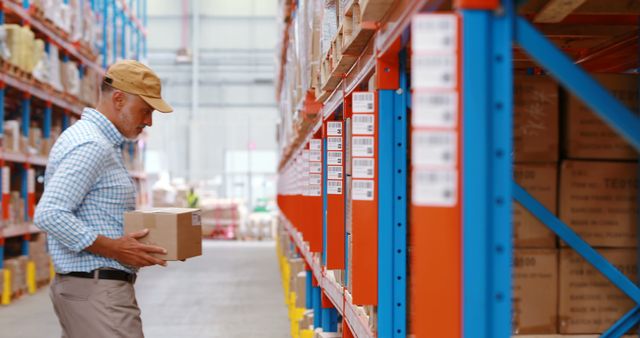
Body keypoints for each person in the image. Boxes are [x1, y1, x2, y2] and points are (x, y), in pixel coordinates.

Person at [34, 60, 173, 338]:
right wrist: (113, 248)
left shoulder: (97, 142)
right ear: (119, 99)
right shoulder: (92, 145)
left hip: (91, 292)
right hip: (98, 294)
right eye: (145, 110)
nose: (148, 121)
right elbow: (49, 213)